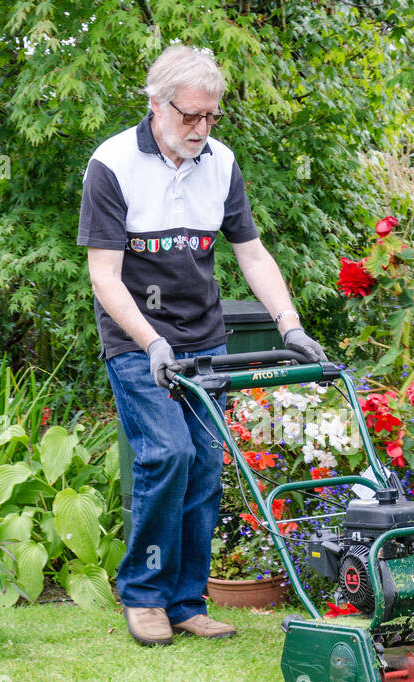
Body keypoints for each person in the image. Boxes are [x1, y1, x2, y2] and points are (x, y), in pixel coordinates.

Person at [78, 44, 327, 648]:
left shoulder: (221, 163)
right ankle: (142, 594)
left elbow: (252, 252)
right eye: (190, 116)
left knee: (207, 467)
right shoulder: (111, 165)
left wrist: (289, 325)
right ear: (156, 105)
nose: (201, 128)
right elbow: (104, 278)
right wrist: (151, 340)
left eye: (211, 117)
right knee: (166, 454)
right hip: (138, 338)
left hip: (204, 342)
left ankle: (187, 601)